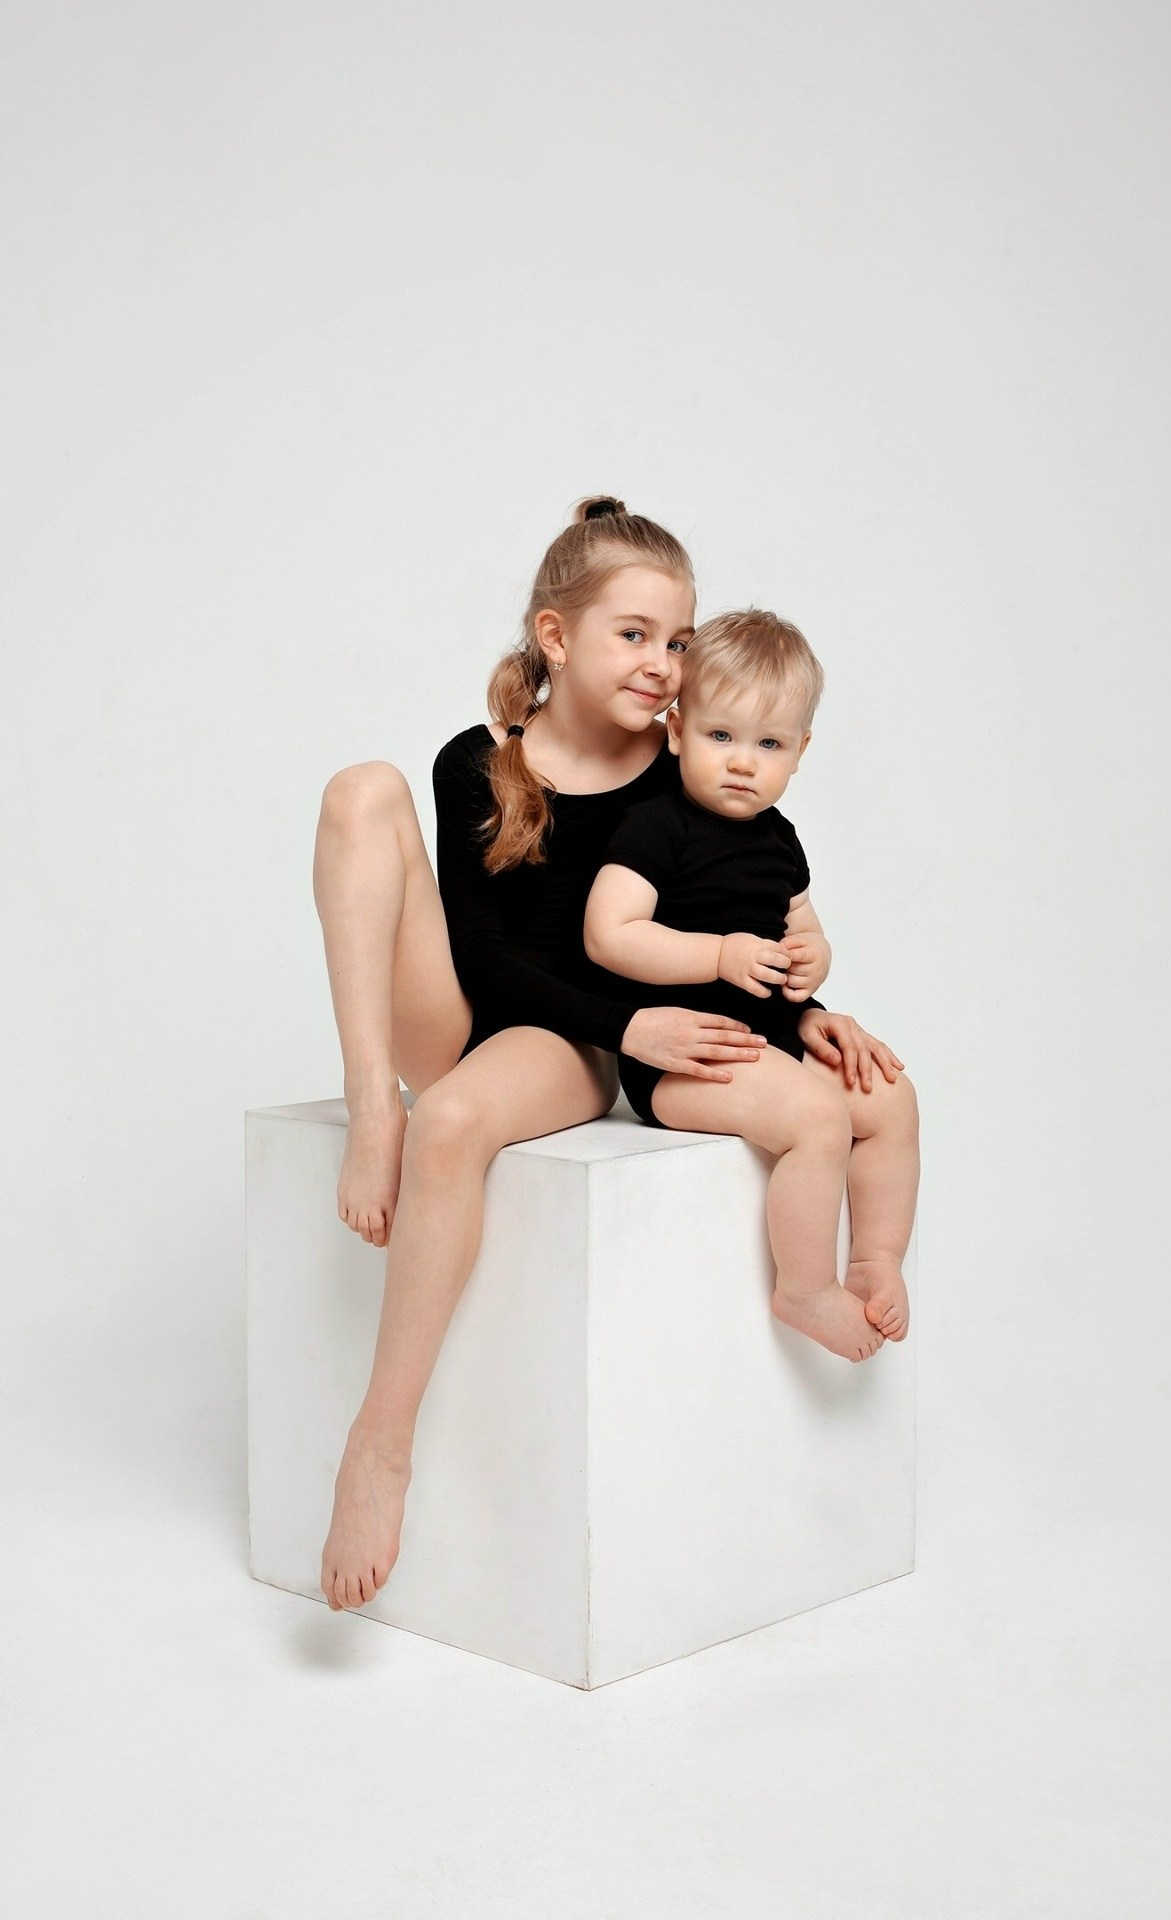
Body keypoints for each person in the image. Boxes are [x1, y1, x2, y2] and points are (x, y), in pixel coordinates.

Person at [311, 498, 909, 1613]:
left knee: (456, 1121)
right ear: (555, 637)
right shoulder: (477, 763)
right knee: (359, 791)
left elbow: (735, 917)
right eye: (633, 635)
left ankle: (379, 1442)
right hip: (477, 1009)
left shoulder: (684, 762)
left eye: (676, 641)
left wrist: (808, 1011)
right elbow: (484, 957)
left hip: (571, 1044)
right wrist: (630, 1023)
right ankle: (369, 1102)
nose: (662, 665)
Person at [583, 609, 919, 1366]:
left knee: (890, 1099)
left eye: (769, 744)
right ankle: (804, 1287)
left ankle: (875, 1259)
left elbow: (803, 925)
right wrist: (718, 956)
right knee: (817, 1118)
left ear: (800, 752)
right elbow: (610, 933)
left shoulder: (779, 838)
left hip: (765, 1040)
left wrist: (813, 958)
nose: (742, 763)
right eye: (720, 736)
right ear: (676, 732)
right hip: (680, 1059)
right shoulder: (655, 827)